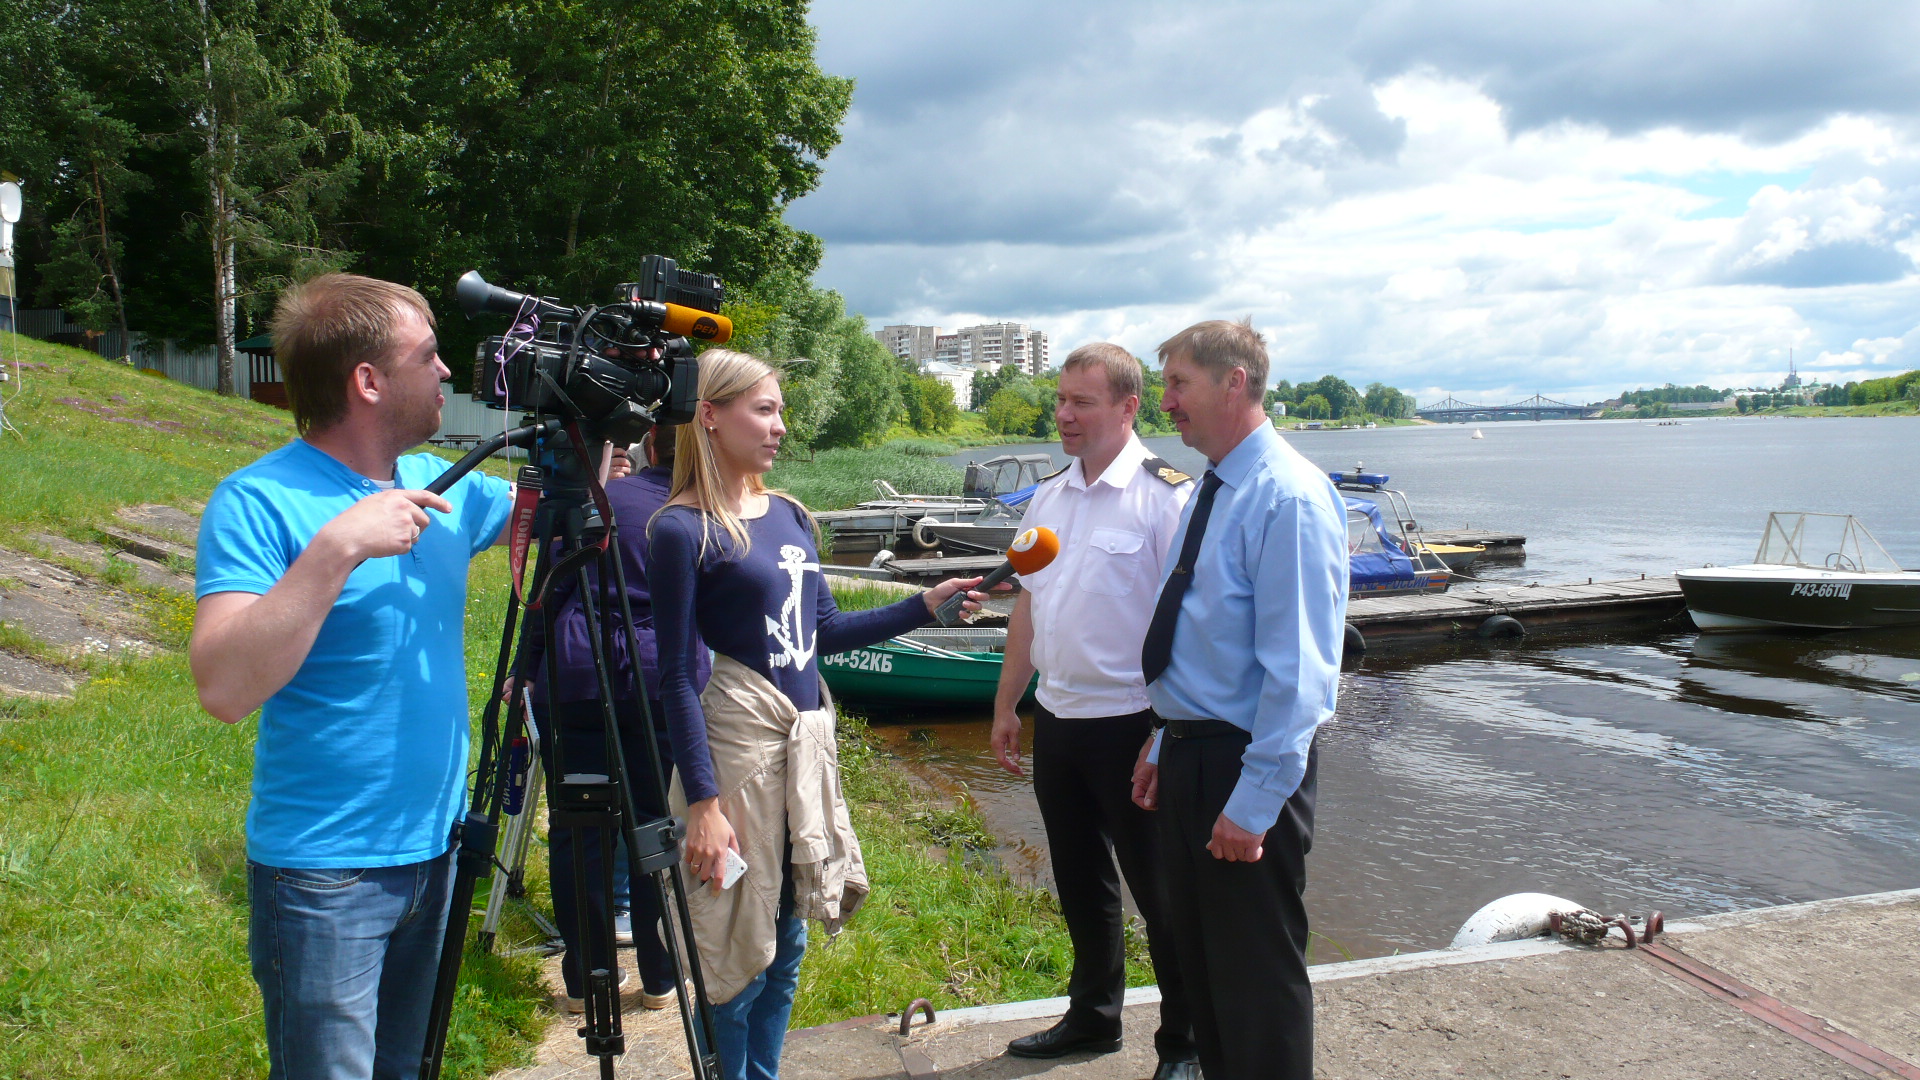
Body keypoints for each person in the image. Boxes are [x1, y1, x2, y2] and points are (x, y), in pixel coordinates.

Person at [190, 273, 516, 1080]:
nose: (446, 372)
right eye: (429, 355)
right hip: (323, 873)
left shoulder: (447, 487)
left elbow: (595, 500)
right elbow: (224, 688)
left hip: (437, 854)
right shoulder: (258, 501)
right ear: (367, 381)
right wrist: (336, 549)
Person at [648, 350, 986, 1080]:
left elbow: (821, 635)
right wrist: (703, 805)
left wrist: (921, 606)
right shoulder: (682, 529)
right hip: (736, 756)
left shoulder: (793, 515)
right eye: (763, 410)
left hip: (806, 754)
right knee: (737, 945)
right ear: (709, 414)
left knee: (790, 937)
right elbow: (675, 675)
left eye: (779, 410)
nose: (779, 426)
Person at [1128, 319, 1347, 1080]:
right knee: (1205, 975)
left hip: (1244, 763)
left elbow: (1301, 677)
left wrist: (1255, 805)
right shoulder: (1213, 489)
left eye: (1179, 384)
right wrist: (1164, 739)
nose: (1167, 402)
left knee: (1254, 982)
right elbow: (1199, 635)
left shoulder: (1286, 497)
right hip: (1193, 753)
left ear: (1235, 383)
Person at [987, 343, 1199, 1078]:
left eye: (1082, 401)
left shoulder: (1166, 495)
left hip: (1134, 724)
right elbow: (1028, 607)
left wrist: (1170, 735)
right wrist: (1008, 702)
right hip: (1060, 718)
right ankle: (1093, 1018)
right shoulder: (1047, 497)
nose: (1065, 415)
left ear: (1128, 406)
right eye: (1061, 400)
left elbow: (1195, 628)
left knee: (1162, 893)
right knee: (1081, 880)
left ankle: (1185, 1044)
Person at [514, 423, 702, 1014]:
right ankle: (660, 974)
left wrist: (524, 666)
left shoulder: (594, 503)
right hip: (657, 683)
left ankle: (586, 979)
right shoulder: (697, 513)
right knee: (654, 825)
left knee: (579, 832)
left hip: (573, 676)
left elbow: (545, 591)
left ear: (649, 445)